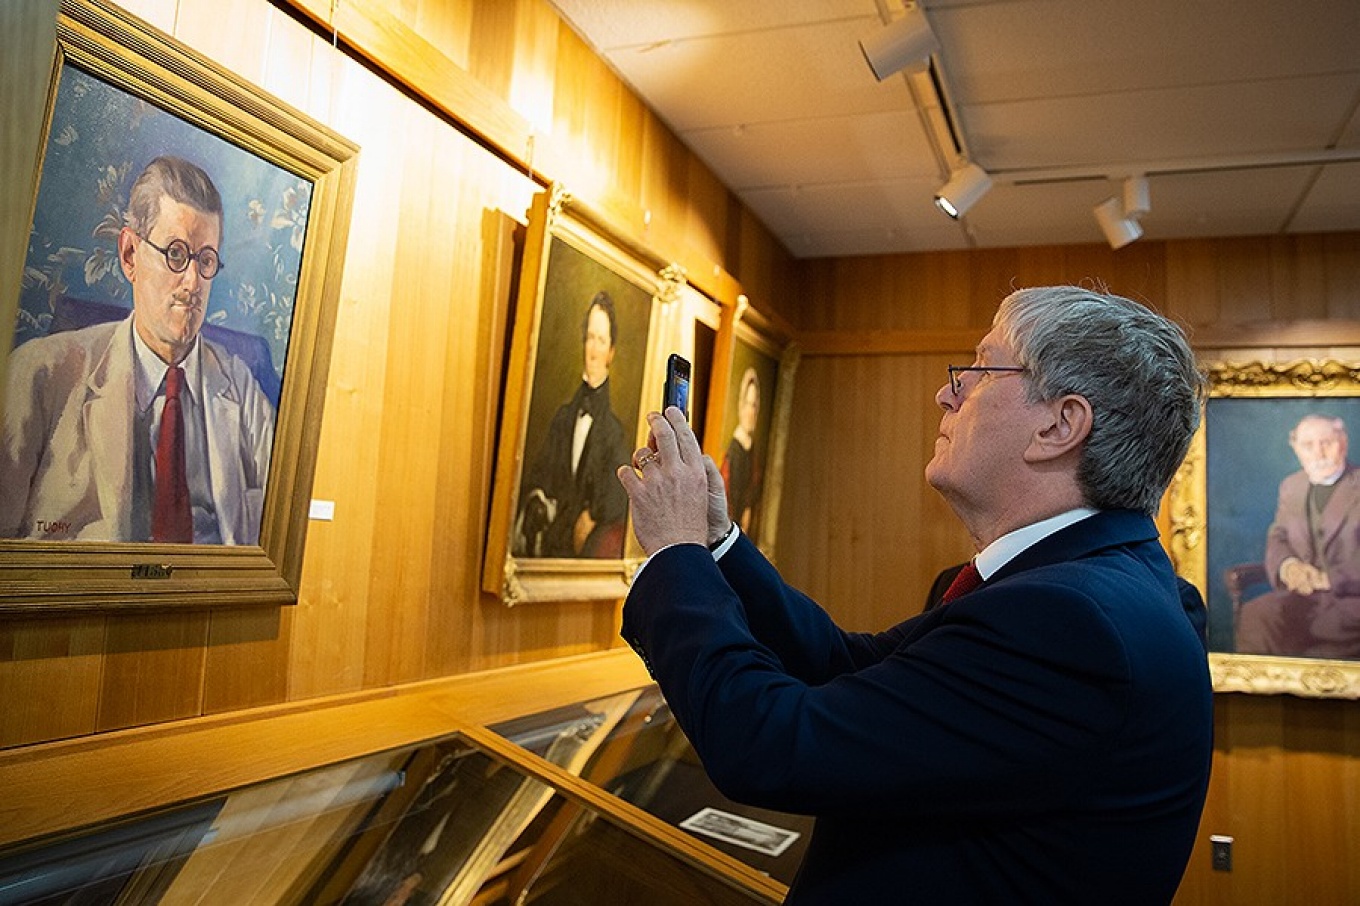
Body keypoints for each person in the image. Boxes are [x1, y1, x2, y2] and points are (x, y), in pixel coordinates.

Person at [615, 286, 1213, 904]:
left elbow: (767, 746)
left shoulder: (1071, 621)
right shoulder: (1097, 588)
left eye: (980, 370)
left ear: (1059, 425)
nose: (947, 392)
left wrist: (676, 553)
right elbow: (846, 667)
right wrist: (717, 541)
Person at [0, 155, 275, 544]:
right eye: (176, 254)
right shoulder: (39, 376)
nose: (193, 282)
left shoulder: (241, 389)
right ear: (130, 255)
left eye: (206, 260)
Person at [513, 290, 630, 558]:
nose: (593, 349)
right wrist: (539, 499)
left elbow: (619, 497)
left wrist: (592, 514)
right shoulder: (563, 418)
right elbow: (539, 475)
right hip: (549, 547)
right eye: (590, 338)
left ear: (611, 352)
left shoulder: (614, 433)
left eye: (601, 341)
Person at [1235, 414, 1360, 657]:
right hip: (1302, 598)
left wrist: (1328, 579)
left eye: (1327, 443)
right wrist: (1288, 567)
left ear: (1343, 443)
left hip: (1350, 599)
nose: (1318, 453)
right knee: (1257, 614)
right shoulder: (1292, 486)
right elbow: (1278, 536)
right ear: (1296, 449)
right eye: (1308, 445)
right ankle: (1252, 694)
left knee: (1328, 627)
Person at [721, 366, 763, 534]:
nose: (751, 412)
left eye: (754, 405)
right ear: (741, 406)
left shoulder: (752, 449)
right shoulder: (734, 450)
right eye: (748, 404)